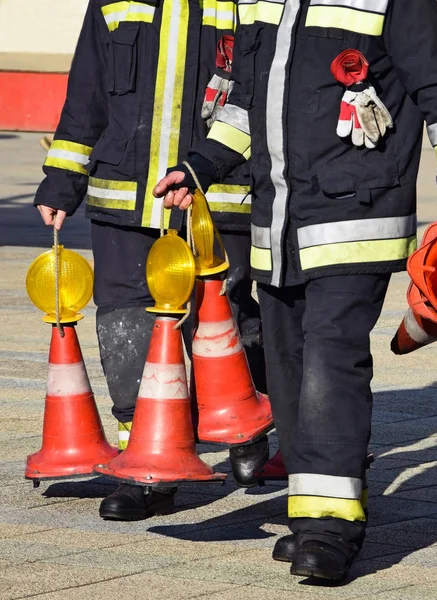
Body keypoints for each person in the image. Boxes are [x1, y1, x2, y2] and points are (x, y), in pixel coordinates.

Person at [154, 0, 437, 583]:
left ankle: (332, 528)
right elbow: (244, 102)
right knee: (287, 368)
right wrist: (201, 166)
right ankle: (311, 510)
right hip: (279, 229)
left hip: (358, 217)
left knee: (330, 363)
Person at [33, 0, 270, 521]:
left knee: (223, 318)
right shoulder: (116, 3)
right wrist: (61, 179)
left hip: (218, 195)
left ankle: (248, 421)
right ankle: (147, 464)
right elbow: (86, 94)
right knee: (125, 327)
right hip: (123, 198)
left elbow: (262, 89)